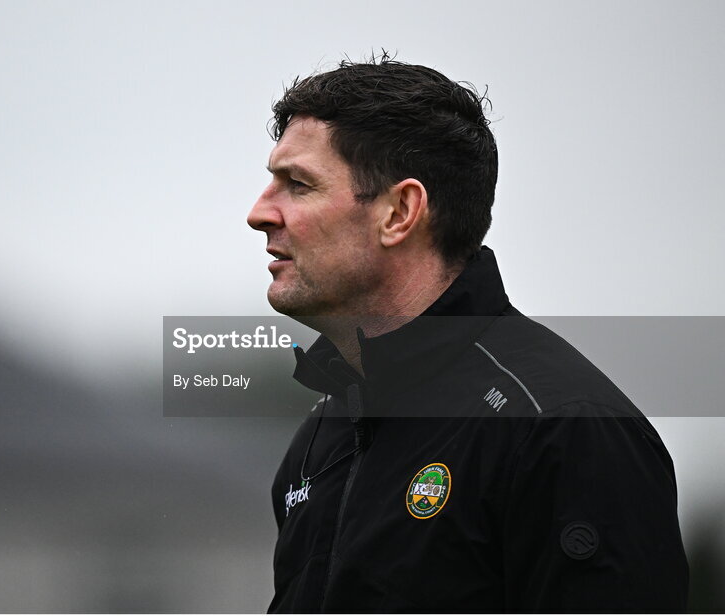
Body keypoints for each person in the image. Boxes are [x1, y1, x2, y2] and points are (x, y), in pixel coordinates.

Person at [246, 53, 689, 613]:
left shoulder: (564, 430)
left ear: (400, 212)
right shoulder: (320, 436)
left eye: (297, 184)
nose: (259, 213)